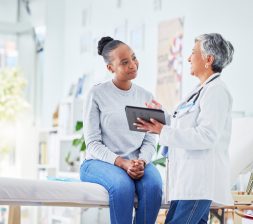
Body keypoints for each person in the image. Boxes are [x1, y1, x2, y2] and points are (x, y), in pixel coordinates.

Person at [134, 33, 234, 223]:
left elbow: (207, 136)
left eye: (193, 53)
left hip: (199, 183)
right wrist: (161, 116)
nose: (188, 58)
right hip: (187, 182)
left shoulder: (217, 91)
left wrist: (162, 131)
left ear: (208, 59)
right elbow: (183, 124)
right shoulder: (200, 91)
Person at [80, 36, 162, 224]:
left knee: (154, 186)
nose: (133, 64)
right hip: (99, 162)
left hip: (137, 162)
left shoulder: (146, 96)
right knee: (122, 186)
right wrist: (122, 163)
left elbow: (150, 140)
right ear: (110, 68)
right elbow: (92, 143)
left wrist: (142, 161)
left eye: (134, 58)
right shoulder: (97, 94)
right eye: (125, 62)